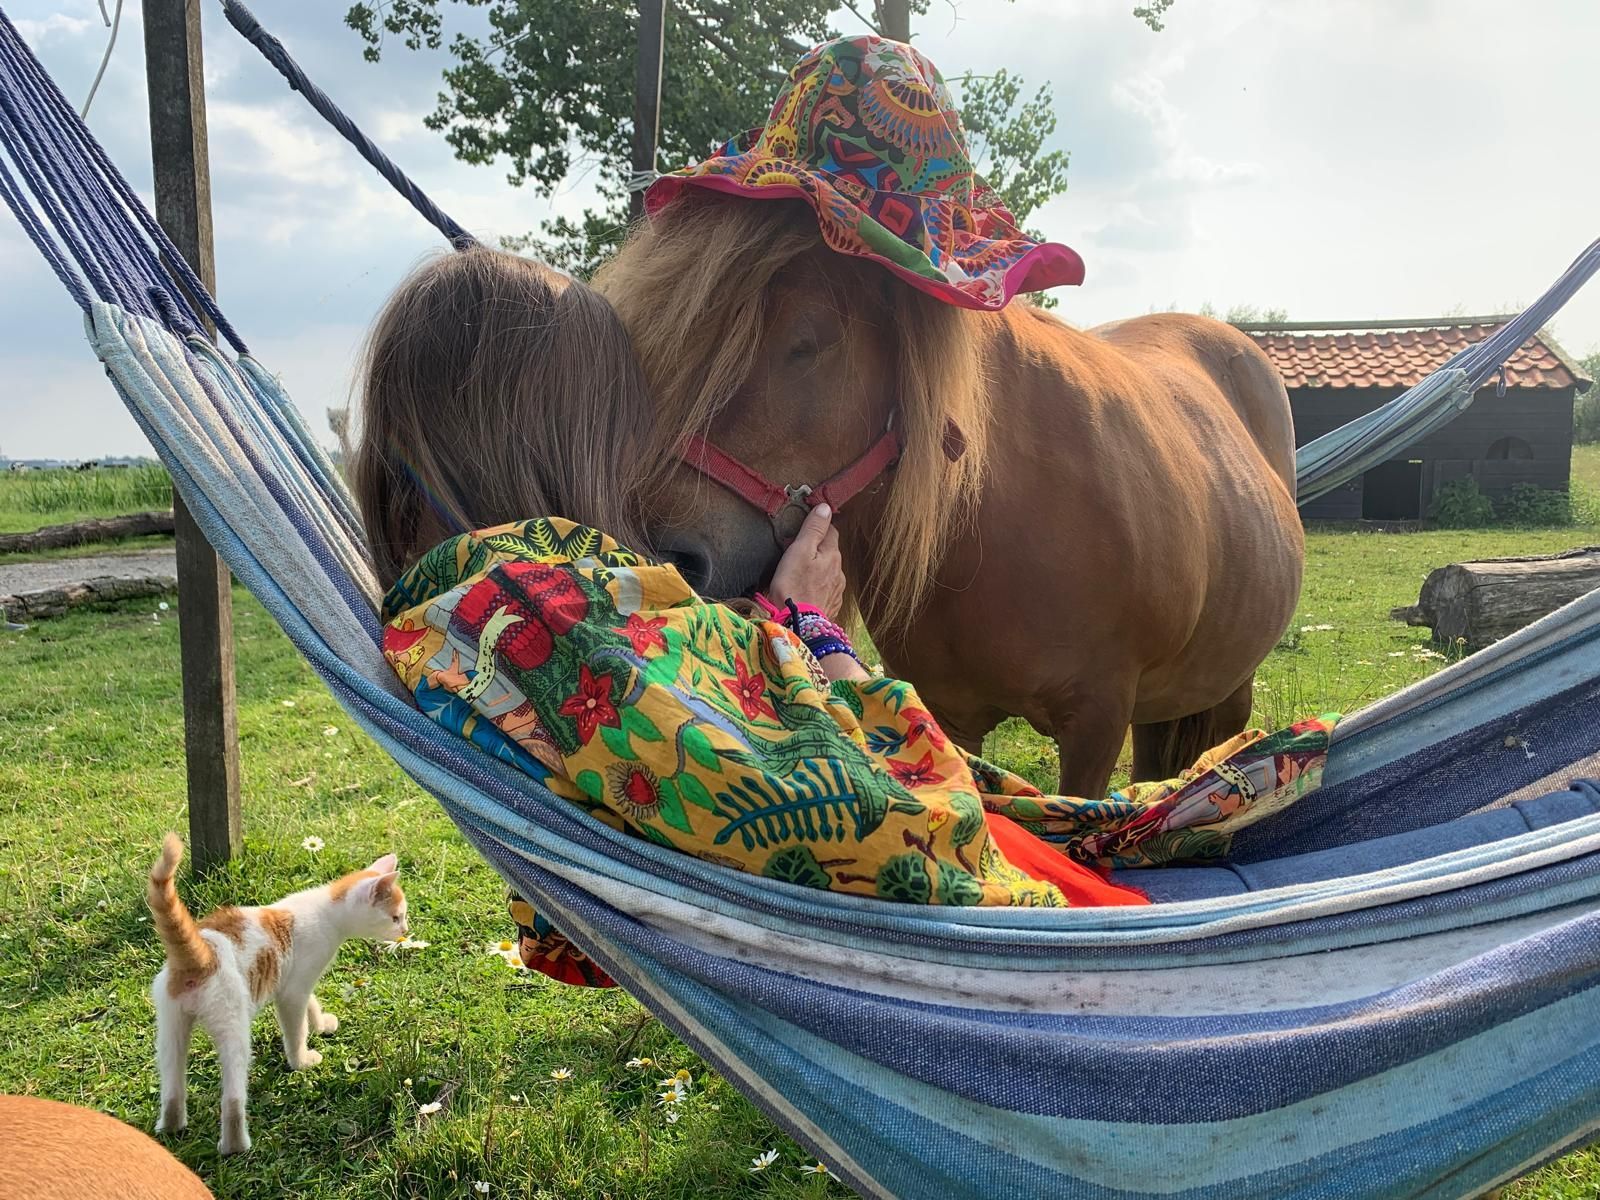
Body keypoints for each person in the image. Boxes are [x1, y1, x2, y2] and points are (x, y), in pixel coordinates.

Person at [352, 248, 1336, 987]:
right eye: (636, 418)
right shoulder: (559, 617)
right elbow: (904, 832)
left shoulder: (449, 615)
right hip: (983, 953)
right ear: (571, 436)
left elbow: (587, 902)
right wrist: (811, 634)